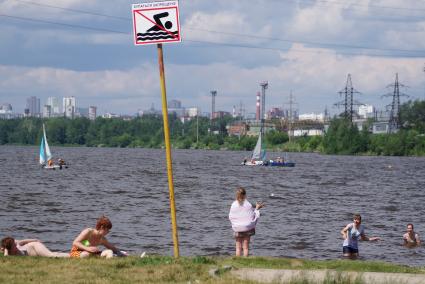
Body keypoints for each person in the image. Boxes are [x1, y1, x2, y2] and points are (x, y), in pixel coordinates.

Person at [229, 187, 264, 257]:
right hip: (247, 227)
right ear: (245, 195)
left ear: (236, 195)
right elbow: (252, 215)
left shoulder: (233, 204)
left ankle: (238, 261)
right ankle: (245, 261)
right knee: (246, 247)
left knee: (238, 247)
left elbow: (231, 216)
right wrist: (257, 208)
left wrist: (236, 223)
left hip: (237, 228)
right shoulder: (248, 204)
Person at [1, 237, 69, 257]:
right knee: (51, 255)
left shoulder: (15, 243)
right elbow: (6, 257)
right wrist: (6, 250)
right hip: (34, 252)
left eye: (14, 244)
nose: (15, 246)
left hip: (34, 246)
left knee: (51, 255)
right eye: (13, 246)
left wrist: (35, 240)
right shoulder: (7, 251)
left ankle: (74, 255)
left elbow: (22, 241)